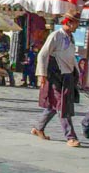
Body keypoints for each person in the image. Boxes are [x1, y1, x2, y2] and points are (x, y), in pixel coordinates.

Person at [32, 16, 81, 147]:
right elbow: (43, 54)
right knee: (61, 104)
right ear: (69, 23)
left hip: (67, 74)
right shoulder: (56, 35)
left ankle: (39, 128)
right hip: (55, 75)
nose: (77, 26)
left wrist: (77, 73)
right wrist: (42, 74)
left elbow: (71, 56)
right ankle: (70, 137)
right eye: (76, 23)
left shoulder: (70, 37)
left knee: (54, 105)